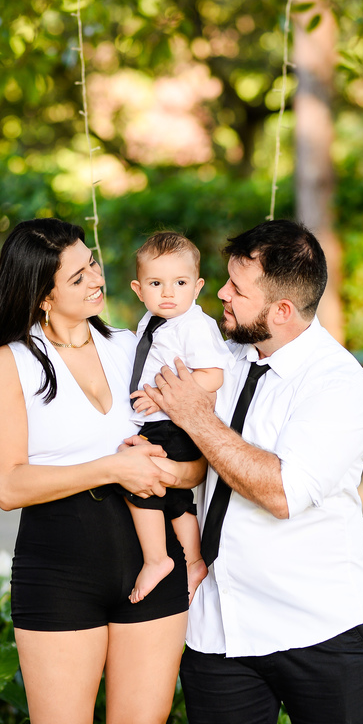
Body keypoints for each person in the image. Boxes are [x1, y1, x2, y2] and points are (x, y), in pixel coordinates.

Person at [137, 219, 363, 724]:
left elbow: (282, 493)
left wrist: (196, 417)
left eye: (238, 289)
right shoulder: (219, 358)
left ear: (282, 310)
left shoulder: (337, 383)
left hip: (316, 629)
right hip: (216, 630)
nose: (221, 294)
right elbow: (202, 467)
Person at [0, 218, 204, 724]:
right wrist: (113, 468)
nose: (97, 278)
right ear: (42, 297)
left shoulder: (132, 346)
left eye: (91, 263)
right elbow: (8, 486)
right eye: (77, 277)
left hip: (154, 560)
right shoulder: (11, 364)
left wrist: (169, 473)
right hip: (60, 569)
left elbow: (195, 463)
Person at [125, 232, 230, 605]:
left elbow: (212, 376)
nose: (168, 293)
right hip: (156, 423)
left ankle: (157, 559)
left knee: (140, 483)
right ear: (139, 289)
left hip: (173, 424)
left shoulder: (194, 325)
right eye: (156, 284)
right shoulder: (153, 320)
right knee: (174, 498)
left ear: (198, 287)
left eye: (180, 283)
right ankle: (194, 561)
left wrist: (159, 396)